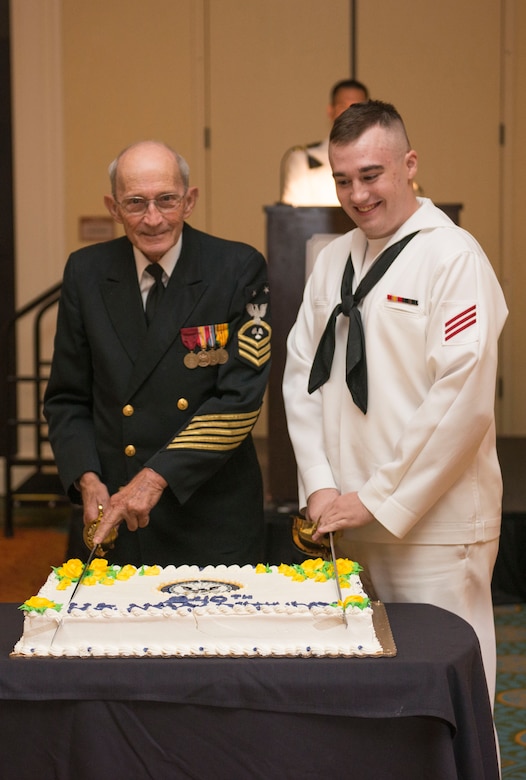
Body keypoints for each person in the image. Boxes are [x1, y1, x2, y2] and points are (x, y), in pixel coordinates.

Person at [283, 100, 508, 708]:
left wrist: (378, 497)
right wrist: (321, 486)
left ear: (409, 165)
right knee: (370, 700)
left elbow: (460, 402)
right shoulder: (331, 261)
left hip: (433, 528)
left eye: (372, 174)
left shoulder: (453, 257)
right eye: (343, 178)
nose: (357, 194)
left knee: (445, 697)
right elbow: (301, 377)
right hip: (346, 520)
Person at [44, 140, 271, 567]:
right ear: (113, 207)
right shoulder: (86, 271)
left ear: (190, 200)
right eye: (135, 203)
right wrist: (86, 477)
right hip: (117, 510)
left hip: (210, 511)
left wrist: (154, 477)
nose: (153, 219)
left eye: (167, 200)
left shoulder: (236, 267)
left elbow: (239, 400)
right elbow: (67, 397)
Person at [280, 78, 369, 206]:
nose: (350, 114)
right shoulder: (305, 160)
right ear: (330, 111)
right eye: (343, 107)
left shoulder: (383, 158)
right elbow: (295, 218)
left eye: (357, 107)